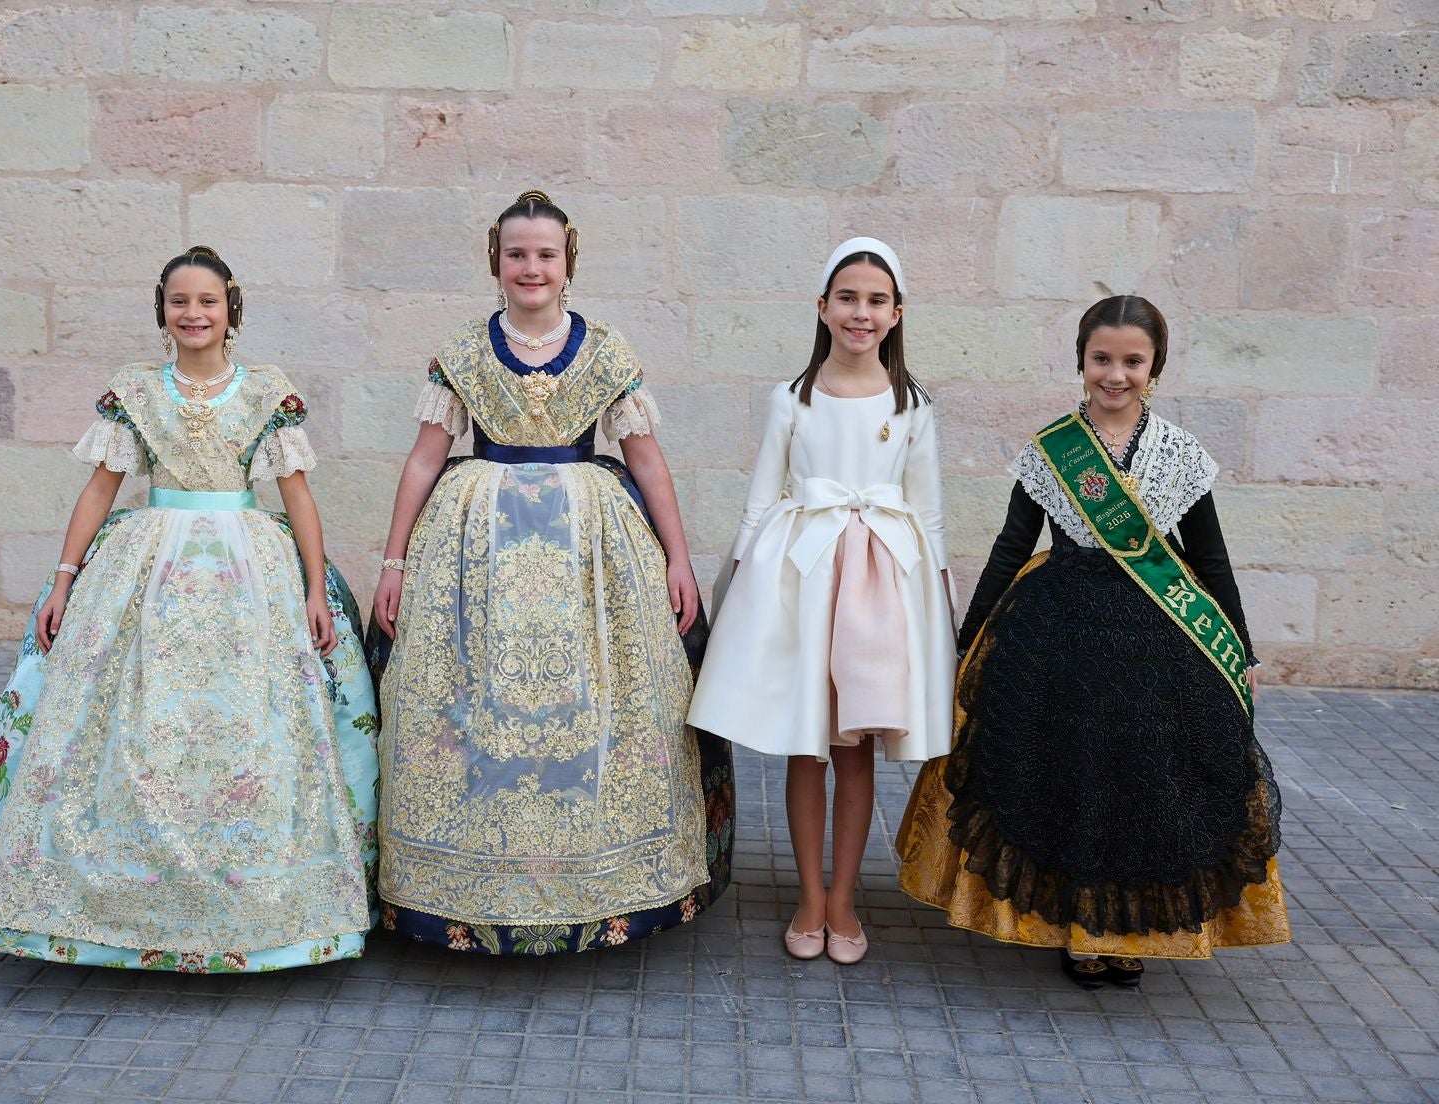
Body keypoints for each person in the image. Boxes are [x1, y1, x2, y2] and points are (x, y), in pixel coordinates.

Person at [0, 246, 380, 971]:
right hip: (147, 567)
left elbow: (298, 497)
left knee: (250, 726)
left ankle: (260, 909)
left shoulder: (265, 392)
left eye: (208, 301)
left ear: (231, 308)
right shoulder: (136, 390)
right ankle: (109, 902)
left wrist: (315, 590)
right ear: (163, 309)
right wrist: (64, 579)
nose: (194, 314)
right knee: (130, 722)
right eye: (180, 301)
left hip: (250, 571)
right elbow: (101, 488)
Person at [369, 190, 733, 954]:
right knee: (469, 702)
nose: (530, 268)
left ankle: (597, 881)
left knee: (602, 702)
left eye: (544, 254)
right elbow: (425, 459)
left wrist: (677, 558)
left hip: (590, 547)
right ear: (493, 261)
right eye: (515, 254)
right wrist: (395, 560)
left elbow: (647, 461)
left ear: (568, 262)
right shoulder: (464, 351)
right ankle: (466, 885)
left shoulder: (605, 350)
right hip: (475, 545)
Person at [895, 294, 1290, 988]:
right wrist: (966, 641)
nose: (1116, 374)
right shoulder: (1053, 452)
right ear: (1081, 361)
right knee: (1071, 780)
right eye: (1102, 359)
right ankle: (1079, 930)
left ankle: (1127, 931)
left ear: (1155, 367)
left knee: (1144, 784)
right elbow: (1010, 546)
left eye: (1132, 361)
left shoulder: (1181, 456)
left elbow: (1212, 559)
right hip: (1057, 643)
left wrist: (1243, 652)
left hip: (1158, 647)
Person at [689, 238, 955, 965]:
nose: (859, 313)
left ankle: (844, 898)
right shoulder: (792, 399)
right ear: (822, 307)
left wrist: (939, 613)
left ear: (897, 314)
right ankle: (809, 894)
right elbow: (761, 497)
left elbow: (927, 516)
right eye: (847, 298)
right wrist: (732, 583)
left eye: (875, 301)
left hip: (879, 592)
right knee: (808, 748)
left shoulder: (913, 407)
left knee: (857, 749)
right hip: (805, 584)